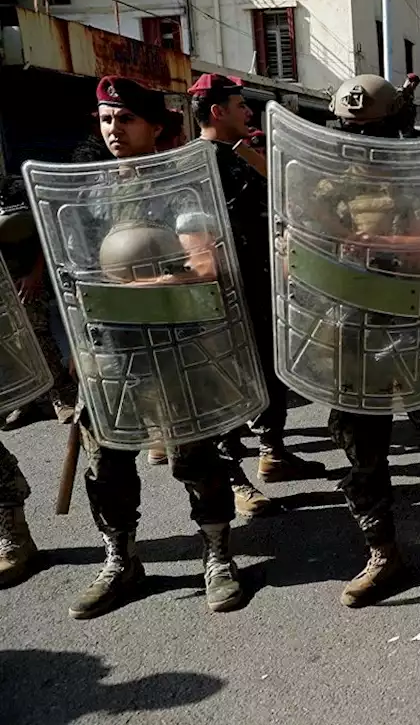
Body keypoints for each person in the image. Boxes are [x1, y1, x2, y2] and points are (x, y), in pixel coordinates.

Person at [301, 75, 420, 608]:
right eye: (350, 129)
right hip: (349, 335)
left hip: (417, 334)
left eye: (371, 128)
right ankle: (382, 553)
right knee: (362, 459)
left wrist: (380, 245)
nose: (360, 140)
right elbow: (299, 246)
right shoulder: (323, 182)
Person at [66, 76, 247, 618]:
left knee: (195, 455)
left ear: (154, 126)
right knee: (108, 460)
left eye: (125, 119)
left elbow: (204, 268)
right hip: (112, 346)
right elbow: (71, 269)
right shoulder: (86, 189)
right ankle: (121, 560)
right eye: (105, 120)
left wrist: (135, 291)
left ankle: (217, 554)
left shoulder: (179, 187)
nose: (113, 130)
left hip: (173, 340)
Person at [189, 73, 326, 507]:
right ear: (217, 111)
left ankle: (274, 452)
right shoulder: (193, 164)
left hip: (263, 286)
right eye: (240, 105)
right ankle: (232, 478)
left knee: (270, 373)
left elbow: (288, 197)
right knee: (229, 384)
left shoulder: (240, 156)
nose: (248, 112)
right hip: (223, 295)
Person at [0, 178, 76, 431]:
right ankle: (28, 402)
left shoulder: (16, 189)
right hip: (4, 282)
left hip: (27, 278)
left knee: (37, 335)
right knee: (12, 343)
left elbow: (47, 232)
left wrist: (35, 274)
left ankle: (62, 396)